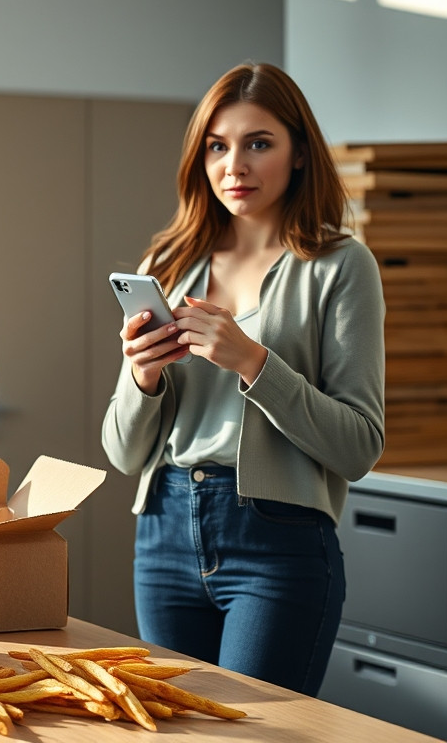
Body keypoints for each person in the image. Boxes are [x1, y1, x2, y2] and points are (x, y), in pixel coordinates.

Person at [101, 62, 385, 696]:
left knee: (253, 736)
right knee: (174, 733)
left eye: (259, 143)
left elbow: (359, 446)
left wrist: (253, 362)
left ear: (301, 153)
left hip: (278, 543)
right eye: (218, 146)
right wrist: (141, 376)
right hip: (164, 531)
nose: (235, 166)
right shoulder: (167, 265)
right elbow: (123, 453)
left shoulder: (341, 266)